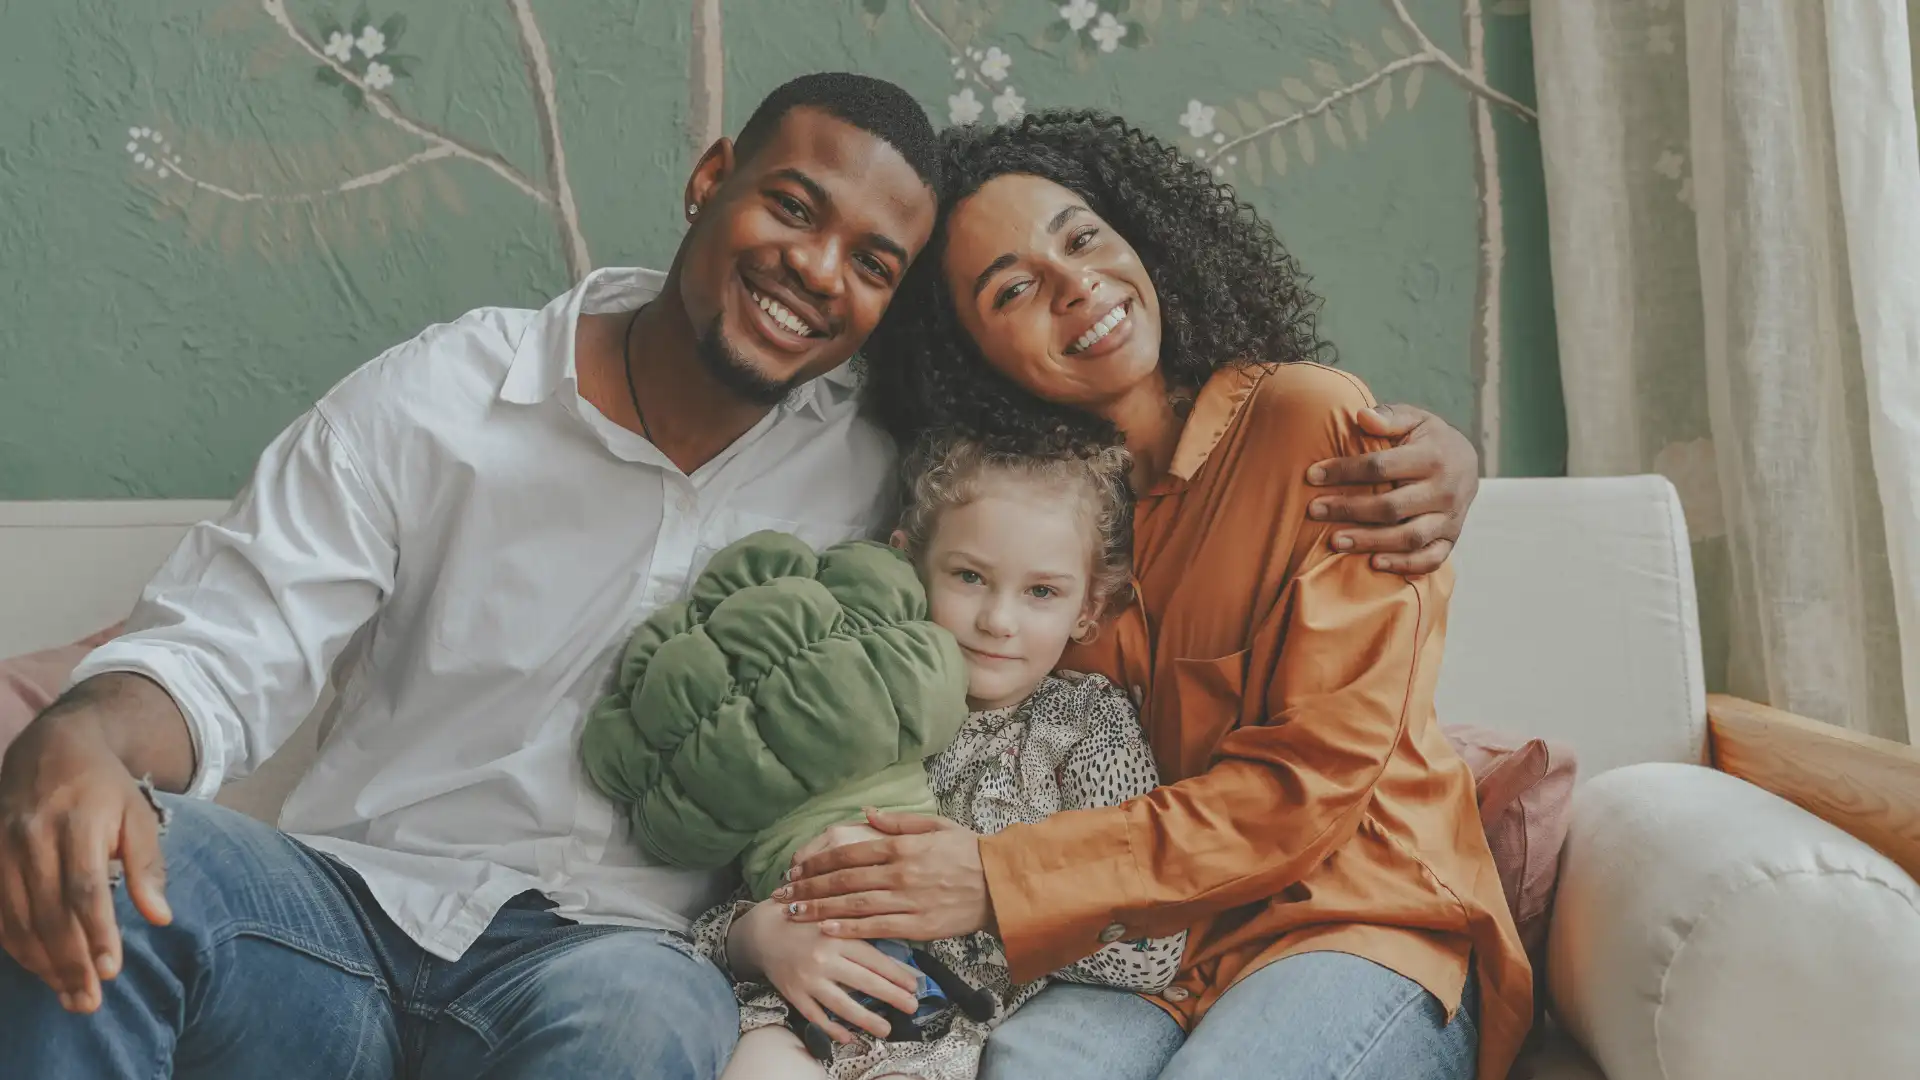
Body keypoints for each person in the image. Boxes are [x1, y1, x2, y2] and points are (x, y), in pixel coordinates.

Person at [0, 73, 1480, 1078]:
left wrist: (1445, 458)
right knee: (123, 853)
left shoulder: (919, 469)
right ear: (715, 179)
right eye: (792, 209)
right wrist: (79, 731)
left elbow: (1264, 712)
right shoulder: (442, 396)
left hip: (626, 957)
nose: (818, 272)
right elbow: (235, 636)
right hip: (347, 903)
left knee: (653, 1017)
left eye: (875, 265)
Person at [773, 110, 1531, 1080]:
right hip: (1134, 963)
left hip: (1359, 922)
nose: (1076, 282)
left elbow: (1306, 789)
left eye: (1082, 237)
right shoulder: (1011, 531)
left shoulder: (1312, 427)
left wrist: (999, 878)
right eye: (1013, 289)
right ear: (969, 355)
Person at [702, 436, 1186, 1080]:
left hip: (955, 1034)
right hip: (804, 1005)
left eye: (1042, 591)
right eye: (969, 577)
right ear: (909, 564)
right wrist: (757, 937)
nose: (998, 619)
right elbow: (737, 894)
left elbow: (1151, 949)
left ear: (1088, 608)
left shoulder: (1088, 725)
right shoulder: (851, 701)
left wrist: (997, 894)